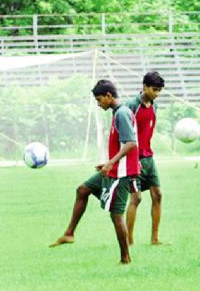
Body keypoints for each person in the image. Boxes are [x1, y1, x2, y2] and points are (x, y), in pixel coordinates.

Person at [50, 80, 140, 264]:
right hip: (113, 169)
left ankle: (126, 258)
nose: (98, 104)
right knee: (83, 190)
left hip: (121, 173)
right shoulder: (118, 113)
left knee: (116, 215)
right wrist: (107, 163)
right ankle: (69, 234)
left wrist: (111, 163)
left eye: (99, 100)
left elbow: (131, 143)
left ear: (109, 96)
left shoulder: (122, 113)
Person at [125, 71, 165, 245]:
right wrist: (132, 159)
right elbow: (123, 135)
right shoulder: (131, 106)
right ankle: (128, 240)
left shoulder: (154, 105)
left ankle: (155, 239)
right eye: (154, 90)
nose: (157, 94)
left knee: (158, 195)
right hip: (135, 159)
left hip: (149, 158)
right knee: (136, 198)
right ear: (144, 87)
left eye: (159, 90)